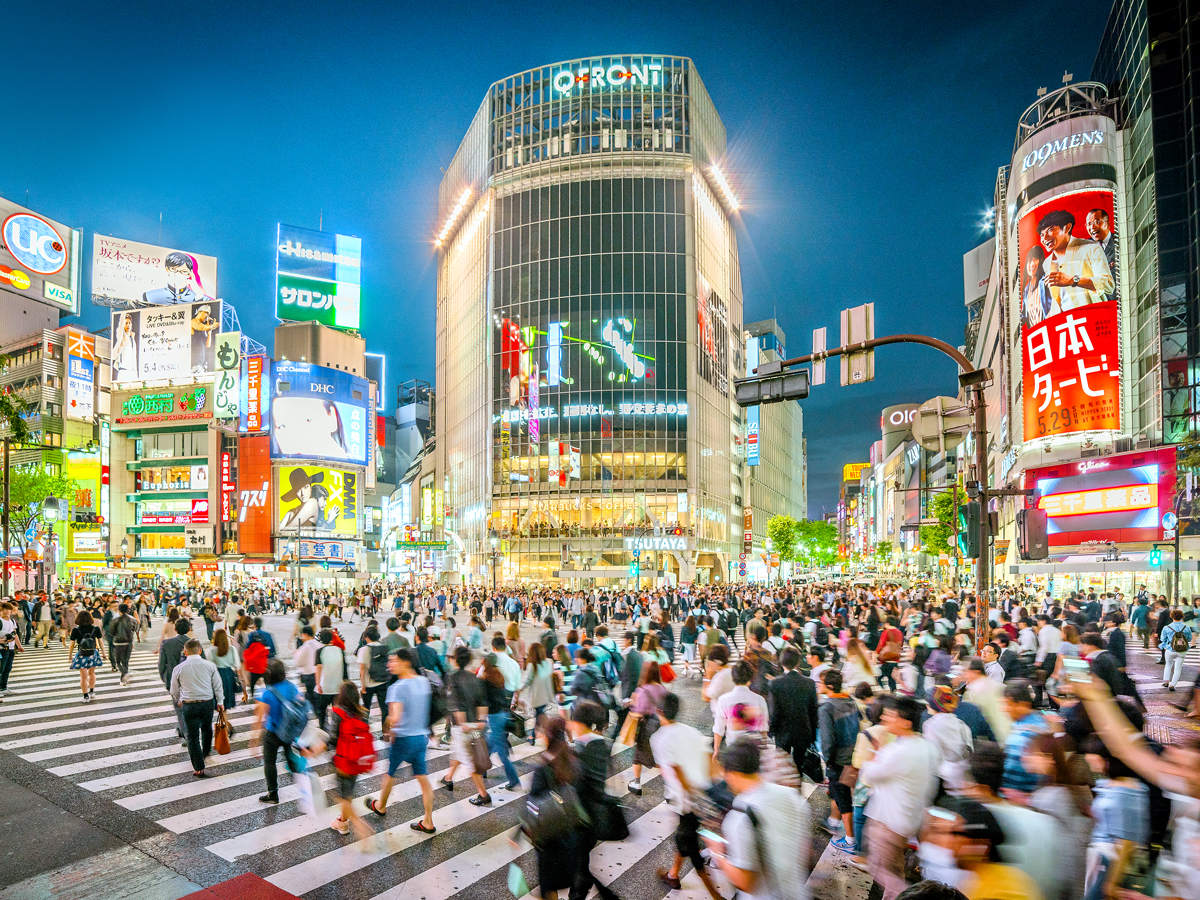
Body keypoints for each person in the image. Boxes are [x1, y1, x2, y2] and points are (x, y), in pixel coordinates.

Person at [706, 739, 811, 900]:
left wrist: (717, 853)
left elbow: (746, 883)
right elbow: (805, 850)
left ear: (733, 773)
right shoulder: (791, 796)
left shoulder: (739, 818)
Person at [859, 696, 942, 900]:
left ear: (906, 723)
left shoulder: (898, 751)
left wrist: (874, 751)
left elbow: (868, 774)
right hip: (908, 820)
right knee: (894, 870)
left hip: (886, 822)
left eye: (890, 715)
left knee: (883, 872)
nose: (885, 718)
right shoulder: (927, 746)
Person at [650, 691, 721, 900]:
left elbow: (676, 772)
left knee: (688, 843)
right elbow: (710, 761)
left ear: (659, 712)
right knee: (684, 836)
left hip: (686, 801)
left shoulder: (659, 739)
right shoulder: (692, 731)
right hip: (702, 795)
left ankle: (715, 895)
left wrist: (693, 798)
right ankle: (673, 874)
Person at [366, 648, 437, 833]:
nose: (389, 665)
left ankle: (381, 806)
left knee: (390, 773)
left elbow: (394, 717)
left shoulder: (396, 688)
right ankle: (428, 821)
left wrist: (387, 726)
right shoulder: (424, 681)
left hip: (403, 739)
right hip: (420, 738)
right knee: (423, 778)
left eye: (393, 661)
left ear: (406, 662)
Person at [920, 798, 1045, 900]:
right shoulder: (978, 881)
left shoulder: (1000, 891)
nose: (949, 842)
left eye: (955, 833)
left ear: (980, 845)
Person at [523, 715, 583, 900]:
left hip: (549, 835)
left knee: (548, 886)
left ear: (548, 737)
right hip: (571, 833)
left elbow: (533, 802)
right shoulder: (574, 760)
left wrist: (524, 828)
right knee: (570, 879)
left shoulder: (543, 767)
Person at [566, 700, 622, 900]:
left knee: (579, 862)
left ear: (579, 722)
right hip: (593, 814)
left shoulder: (584, 747)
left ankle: (581, 892)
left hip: (583, 815)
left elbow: (578, 783)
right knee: (581, 859)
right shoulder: (598, 743)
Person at [320, 681, 374, 839]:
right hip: (358, 759)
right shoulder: (363, 712)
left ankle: (360, 825)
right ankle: (342, 822)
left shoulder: (337, 712)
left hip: (343, 760)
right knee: (347, 793)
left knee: (341, 796)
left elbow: (333, 739)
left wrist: (318, 747)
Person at [442, 645, 492, 805]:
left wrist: (464, 724)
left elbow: (456, 704)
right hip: (475, 724)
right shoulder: (475, 679)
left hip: (462, 727)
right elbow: (483, 702)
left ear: (456, 660)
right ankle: (448, 778)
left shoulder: (453, 678)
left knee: (470, 762)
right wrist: (481, 721)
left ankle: (484, 795)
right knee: (459, 752)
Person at [251, 658, 305, 804]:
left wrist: (254, 741)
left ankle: (273, 794)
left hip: (273, 732)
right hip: (288, 732)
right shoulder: (292, 687)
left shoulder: (266, 694)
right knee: (289, 754)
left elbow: (260, 718)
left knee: (269, 762)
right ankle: (302, 778)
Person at [169, 639, 225, 777]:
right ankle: (205, 753)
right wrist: (220, 701)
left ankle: (198, 767)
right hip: (207, 702)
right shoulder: (210, 665)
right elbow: (217, 685)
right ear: (200, 651)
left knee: (192, 736)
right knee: (207, 729)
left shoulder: (179, 668)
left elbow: (173, 689)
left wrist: (178, 699)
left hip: (189, 704)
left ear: (185, 651)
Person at [818, 668, 861, 839]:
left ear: (829, 686)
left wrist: (827, 760)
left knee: (843, 799)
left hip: (837, 760)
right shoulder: (851, 701)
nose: (818, 686)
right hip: (853, 756)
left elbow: (828, 739)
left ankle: (850, 839)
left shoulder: (826, 708)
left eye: (820, 683)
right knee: (840, 793)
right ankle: (833, 822)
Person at [767, 645, 819, 778]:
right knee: (799, 765)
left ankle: (785, 790)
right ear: (798, 662)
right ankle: (797, 789)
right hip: (803, 729)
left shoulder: (775, 683)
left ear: (782, 662)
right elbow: (813, 711)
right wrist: (813, 734)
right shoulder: (809, 683)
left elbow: (774, 711)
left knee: (782, 766)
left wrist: (771, 730)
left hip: (782, 731)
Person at [713, 660, 770, 760]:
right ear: (750, 678)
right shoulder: (759, 700)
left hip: (733, 748)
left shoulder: (723, 700)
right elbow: (763, 728)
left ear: (733, 678)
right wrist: (764, 747)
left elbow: (719, 728)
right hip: (753, 748)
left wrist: (716, 750)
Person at [481, 652, 522, 791]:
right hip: (503, 714)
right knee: (491, 744)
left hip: (495, 718)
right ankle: (483, 770)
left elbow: (482, 700)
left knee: (501, 753)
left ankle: (514, 781)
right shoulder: (498, 675)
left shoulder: (485, 679)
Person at [627, 660, 667, 795]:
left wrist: (632, 704)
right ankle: (669, 788)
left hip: (646, 727)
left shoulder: (643, 690)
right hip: (659, 726)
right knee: (660, 757)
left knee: (638, 756)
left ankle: (636, 783)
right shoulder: (663, 689)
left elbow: (639, 710)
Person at [521, 641, 556, 746]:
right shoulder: (548, 663)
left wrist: (517, 691)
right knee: (540, 715)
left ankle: (544, 735)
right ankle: (539, 735)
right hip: (546, 695)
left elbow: (526, 681)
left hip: (537, 696)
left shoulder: (532, 665)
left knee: (540, 716)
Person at [69, 609, 107, 703]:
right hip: (93, 653)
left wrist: (70, 656)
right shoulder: (96, 629)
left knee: (83, 676)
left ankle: (85, 696)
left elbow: (72, 644)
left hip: (81, 654)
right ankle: (92, 691)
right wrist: (104, 653)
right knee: (92, 673)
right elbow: (101, 642)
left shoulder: (75, 630)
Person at [313, 629, 345, 730]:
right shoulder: (339, 650)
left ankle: (323, 729)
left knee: (322, 711)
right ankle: (337, 730)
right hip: (337, 686)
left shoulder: (320, 651)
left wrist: (318, 684)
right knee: (337, 711)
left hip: (324, 687)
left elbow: (318, 668)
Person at [206, 628, 241, 711]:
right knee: (228, 695)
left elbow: (208, 665)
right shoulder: (232, 649)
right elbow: (237, 665)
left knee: (218, 696)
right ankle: (224, 717)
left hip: (217, 673)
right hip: (229, 674)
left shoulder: (212, 650)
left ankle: (223, 717)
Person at [1161, 608, 1193, 691]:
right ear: (1182, 617)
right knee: (1178, 668)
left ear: (1171, 616)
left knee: (1168, 665)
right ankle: (1173, 685)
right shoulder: (1186, 627)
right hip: (1182, 650)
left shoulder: (1167, 627)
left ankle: (1166, 682)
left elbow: (1162, 639)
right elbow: (1189, 639)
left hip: (1170, 649)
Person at [110, 602, 139, 685]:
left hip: (118, 642)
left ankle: (125, 674)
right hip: (129, 642)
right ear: (128, 610)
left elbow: (111, 632)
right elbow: (135, 629)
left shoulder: (115, 619)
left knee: (118, 661)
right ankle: (123, 679)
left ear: (119, 610)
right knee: (125, 661)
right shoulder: (133, 619)